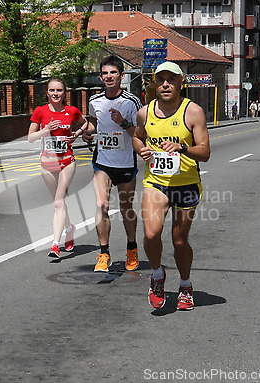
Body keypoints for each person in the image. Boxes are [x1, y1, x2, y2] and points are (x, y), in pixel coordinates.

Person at [132, 61, 210, 310]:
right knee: (151, 234)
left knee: (179, 240)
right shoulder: (145, 112)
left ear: (181, 83)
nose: (165, 84)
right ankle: (157, 276)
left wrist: (182, 147)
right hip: (156, 181)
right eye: (161, 79)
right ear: (154, 84)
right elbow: (136, 135)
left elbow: (205, 152)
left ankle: (185, 284)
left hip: (186, 183)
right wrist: (141, 150)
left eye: (171, 79)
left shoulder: (193, 112)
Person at [82, 55, 142, 272]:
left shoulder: (132, 102)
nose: (109, 77)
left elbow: (140, 134)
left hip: (125, 163)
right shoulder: (95, 101)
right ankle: (104, 253)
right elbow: (93, 123)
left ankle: (132, 248)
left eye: (113, 73)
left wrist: (123, 122)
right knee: (101, 205)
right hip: (103, 162)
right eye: (105, 73)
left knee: (126, 208)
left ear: (121, 76)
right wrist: (88, 134)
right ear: (101, 76)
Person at [28, 78, 88, 258]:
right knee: (58, 202)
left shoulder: (72, 111)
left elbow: (85, 122)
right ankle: (69, 228)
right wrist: (45, 130)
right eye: (52, 90)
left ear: (64, 93)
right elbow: (30, 137)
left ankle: (55, 244)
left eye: (59, 90)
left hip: (67, 161)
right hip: (47, 163)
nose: (56, 94)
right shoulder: (40, 111)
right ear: (47, 93)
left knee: (58, 202)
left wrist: (77, 134)